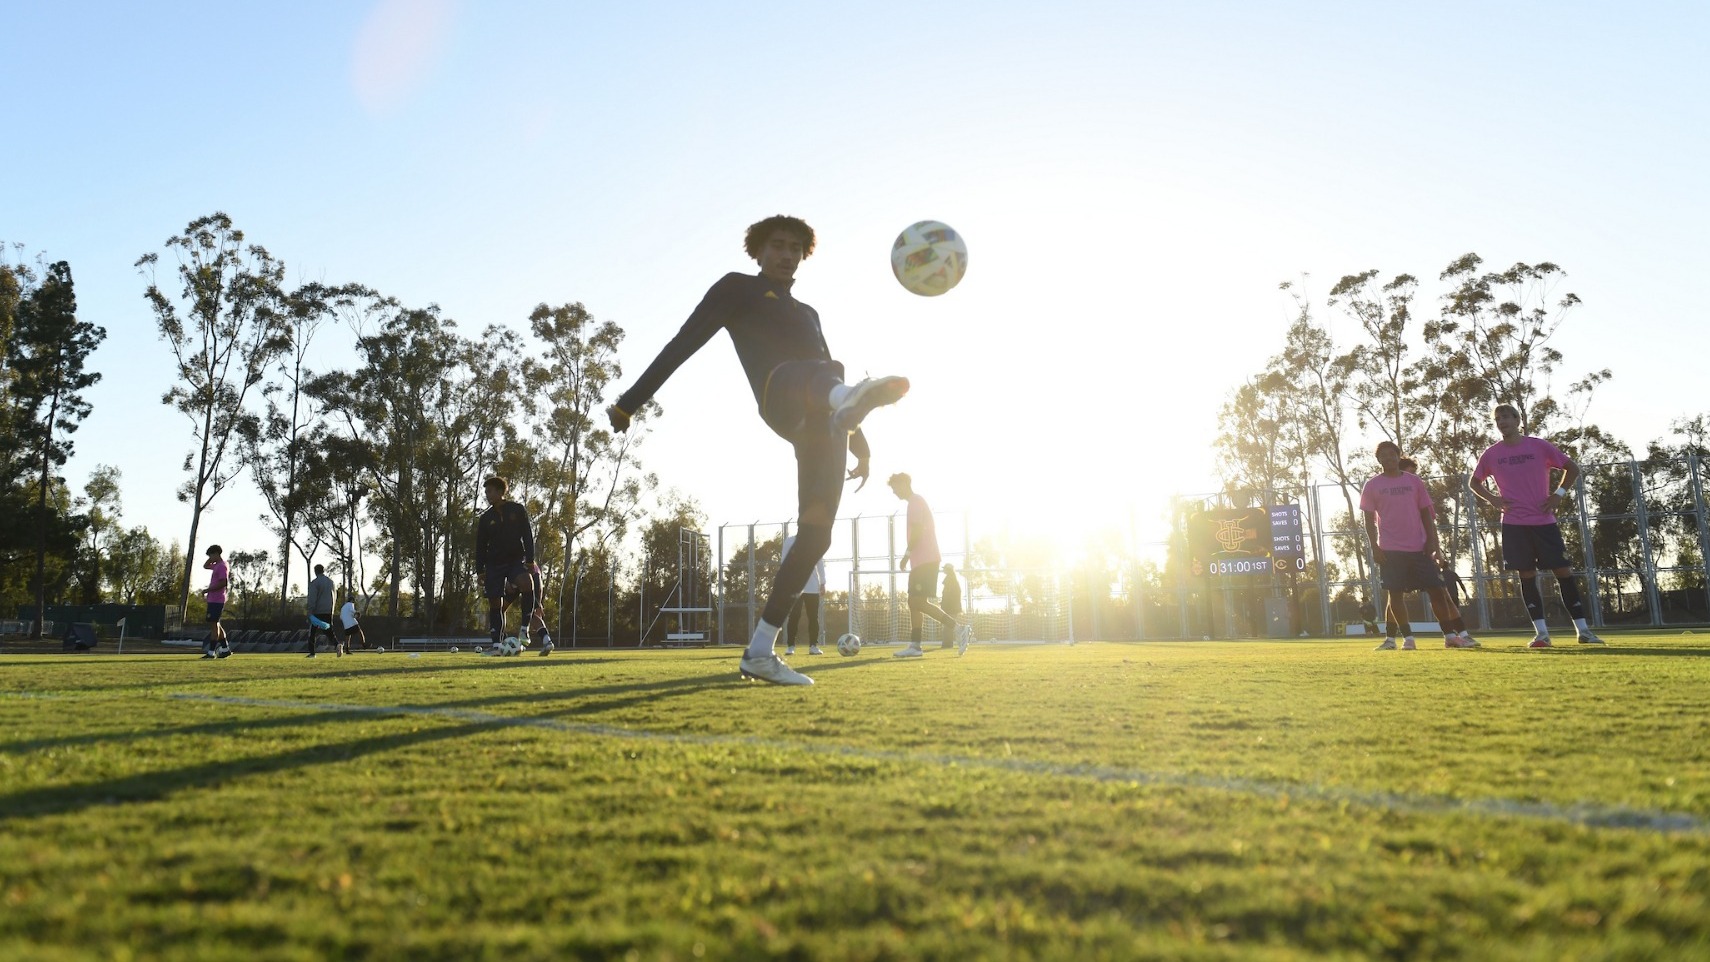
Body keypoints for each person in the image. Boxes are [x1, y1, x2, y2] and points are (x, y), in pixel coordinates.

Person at [605, 214, 909, 686]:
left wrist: (861, 447)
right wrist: (630, 402)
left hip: (828, 423)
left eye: (796, 248)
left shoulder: (809, 313)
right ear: (759, 251)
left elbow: (842, 391)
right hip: (781, 396)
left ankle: (761, 651)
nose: (787, 255)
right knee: (817, 374)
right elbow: (683, 343)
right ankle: (842, 404)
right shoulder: (736, 289)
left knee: (817, 534)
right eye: (779, 246)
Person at [1471, 403, 1605, 647]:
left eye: (1506, 417)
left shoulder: (1539, 446)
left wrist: (1558, 494)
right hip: (1514, 524)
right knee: (1527, 575)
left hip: (1544, 523)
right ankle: (1542, 634)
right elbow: (1474, 482)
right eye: (1498, 418)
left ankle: (1584, 631)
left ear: (1517, 419)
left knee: (1563, 572)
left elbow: (1572, 468)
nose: (1502, 421)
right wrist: (1493, 499)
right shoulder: (1492, 453)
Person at [1360, 442, 1478, 650]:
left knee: (1437, 591)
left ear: (1398, 456)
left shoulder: (1414, 482)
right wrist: (1375, 547)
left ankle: (1451, 635)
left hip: (1419, 548)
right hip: (1390, 549)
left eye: (1392, 454)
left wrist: (1432, 541)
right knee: (1395, 594)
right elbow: (1368, 520)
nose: (1388, 458)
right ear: (1378, 460)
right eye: (1383, 456)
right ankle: (1407, 639)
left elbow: (1426, 512)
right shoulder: (1372, 485)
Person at [888, 473, 972, 657]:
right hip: (922, 560)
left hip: (926, 558)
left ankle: (958, 628)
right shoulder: (914, 502)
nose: (894, 492)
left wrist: (906, 554)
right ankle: (915, 646)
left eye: (895, 487)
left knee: (917, 601)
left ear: (904, 483)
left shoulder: (915, 502)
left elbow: (918, 529)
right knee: (914, 602)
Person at [474, 475, 539, 652]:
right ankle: (496, 643)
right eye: (485, 492)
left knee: (527, 584)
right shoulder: (486, 518)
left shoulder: (517, 510)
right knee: (496, 603)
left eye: (490, 491)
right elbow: (480, 546)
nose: (487, 495)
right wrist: (480, 570)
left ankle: (524, 629)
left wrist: (530, 560)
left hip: (515, 561)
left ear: (500, 492)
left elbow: (527, 535)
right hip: (494, 564)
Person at [780, 533, 826, 656]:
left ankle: (813, 646)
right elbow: (784, 561)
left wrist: (823, 582)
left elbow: (820, 563)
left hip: (812, 587)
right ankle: (790, 646)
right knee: (794, 616)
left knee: (813, 617)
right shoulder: (789, 542)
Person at [200, 544, 231, 659]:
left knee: (214, 625)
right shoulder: (217, 565)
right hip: (213, 599)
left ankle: (211, 652)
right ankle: (225, 648)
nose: (210, 558)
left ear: (217, 554)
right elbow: (205, 566)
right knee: (216, 624)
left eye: (211, 555)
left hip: (217, 599)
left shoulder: (222, 566)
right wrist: (211, 558)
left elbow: (223, 583)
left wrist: (207, 590)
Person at [305, 563, 342, 657]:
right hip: (328, 611)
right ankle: (337, 644)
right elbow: (335, 596)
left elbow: (312, 598)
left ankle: (312, 653)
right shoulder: (331, 582)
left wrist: (310, 611)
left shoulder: (315, 583)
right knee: (329, 631)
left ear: (315, 571)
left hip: (317, 611)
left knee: (312, 632)